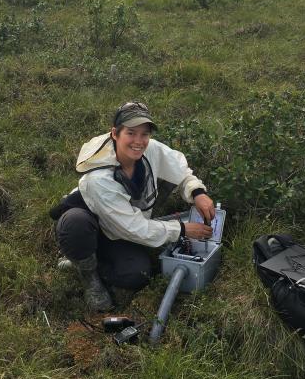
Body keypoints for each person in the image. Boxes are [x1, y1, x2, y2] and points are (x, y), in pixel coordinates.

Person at [51, 101, 215, 312]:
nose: (139, 141)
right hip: (94, 225)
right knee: (75, 223)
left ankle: (85, 261)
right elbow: (132, 227)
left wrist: (197, 192)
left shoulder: (150, 149)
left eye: (144, 134)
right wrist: (181, 229)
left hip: (120, 230)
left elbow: (179, 168)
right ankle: (88, 274)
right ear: (114, 134)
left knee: (137, 274)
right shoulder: (99, 178)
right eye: (131, 133)